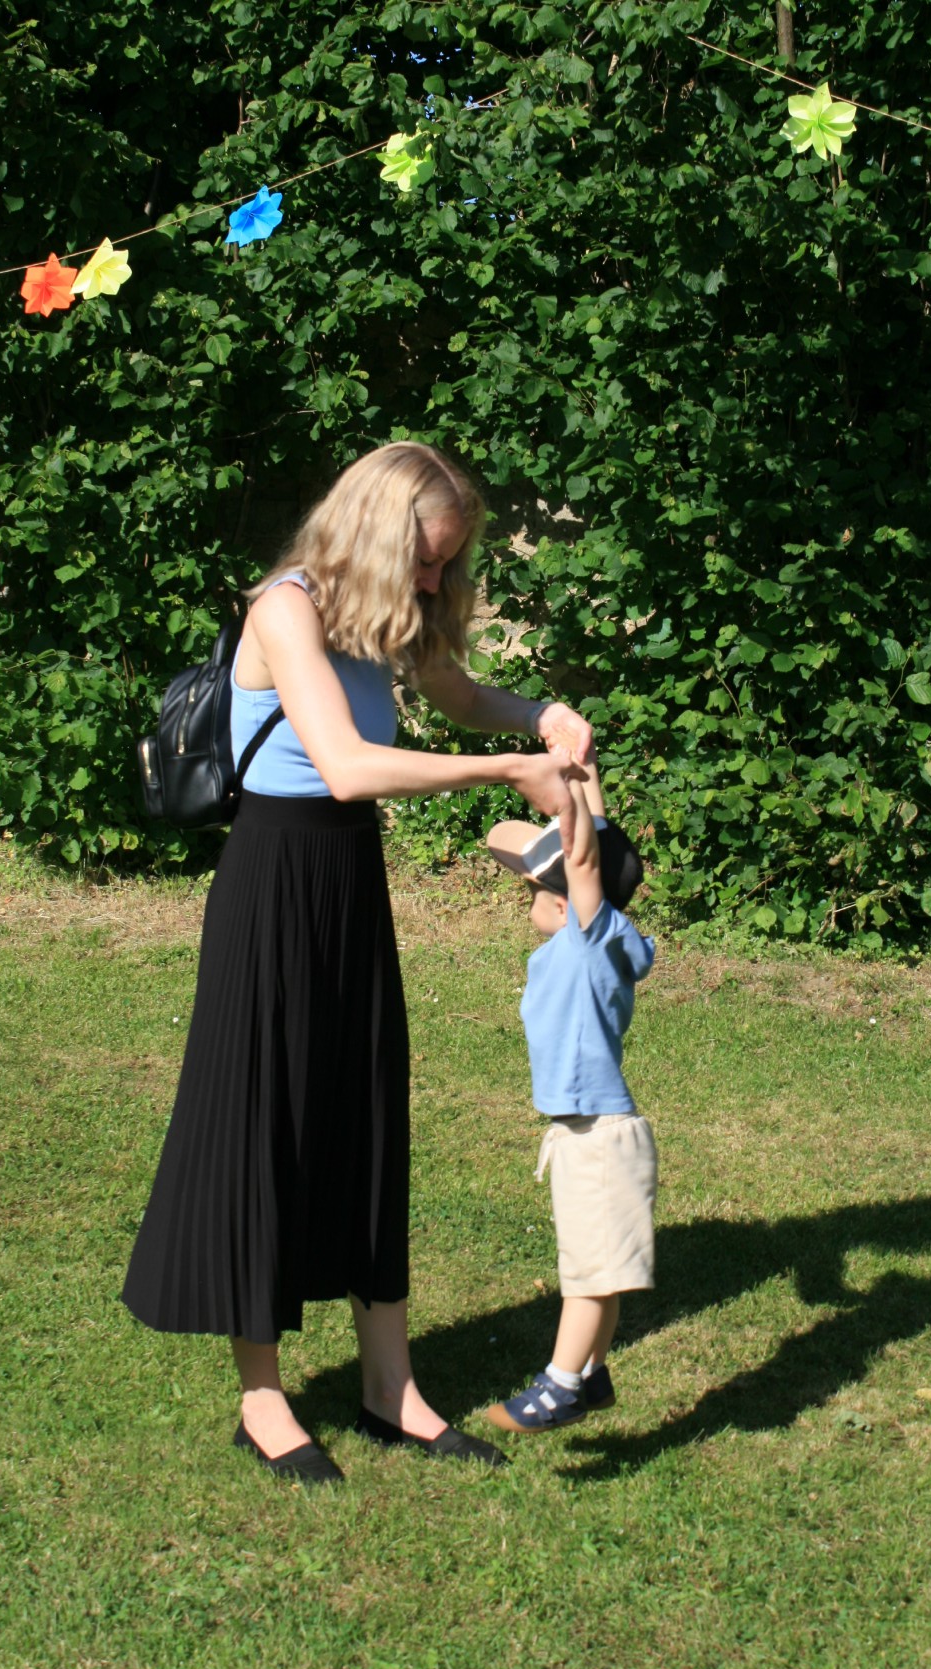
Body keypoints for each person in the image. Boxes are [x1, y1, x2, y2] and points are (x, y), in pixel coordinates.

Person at [122, 441, 592, 1483]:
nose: (435, 577)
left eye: (447, 562)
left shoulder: (386, 613)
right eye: (425, 558)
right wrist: (508, 770)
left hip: (348, 880)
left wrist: (538, 716)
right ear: (376, 535)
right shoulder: (285, 609)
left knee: (366, 1113)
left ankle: (391, 1389)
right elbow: (343, 765)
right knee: (266, 1120)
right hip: (273, 883)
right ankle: (263, 1399)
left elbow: (459, 694)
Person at [483, 765, 656, 1433]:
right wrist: (581, 770)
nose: (523, 896)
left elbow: (585, 858)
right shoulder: (589, 940)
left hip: (598, 1138)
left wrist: (561, 795)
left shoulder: (588, 939)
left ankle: (559, 1387)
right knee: (596, 1268)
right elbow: (594, 851)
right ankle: (592, 1373)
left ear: (566, 903)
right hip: (588, 1132)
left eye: (532, 888)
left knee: (588, 1277)